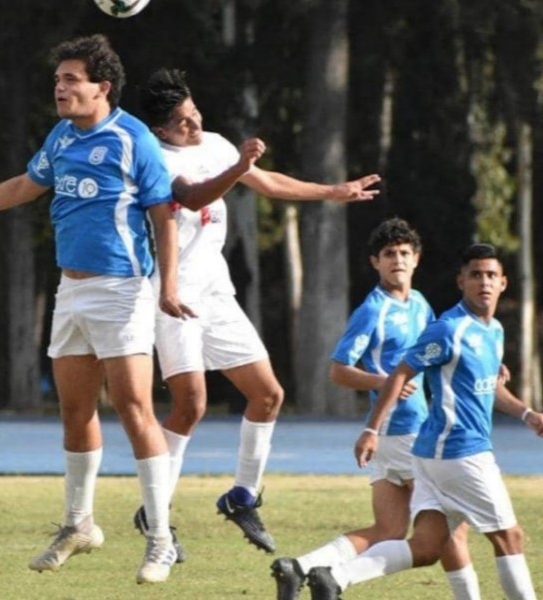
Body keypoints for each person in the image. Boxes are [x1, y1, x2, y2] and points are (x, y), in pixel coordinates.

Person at [0, 35, 193, 584]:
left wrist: (167, 285)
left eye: (71, 80)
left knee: (135, 408)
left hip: (122, 289)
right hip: (72, 290)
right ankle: (78, 523)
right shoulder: (63, 135)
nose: (60, 87)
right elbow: (26, 183)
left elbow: (163, 215)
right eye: (58, 79)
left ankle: (160, 537)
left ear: (102, 88)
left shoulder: (133, 138)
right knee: (74, 411)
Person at [134, 67, 380, 556]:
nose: (194, 124)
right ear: (161, 129)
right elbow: (192, 194)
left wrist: (332, 192)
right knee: (191, 404)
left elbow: (268, 183)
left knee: (268, 394)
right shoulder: (153, 156)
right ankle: (153, 511)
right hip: (171, 293)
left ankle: (243, 496)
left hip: (216, 294)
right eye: (183, 121)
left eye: (195, 112)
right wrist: (239, 165)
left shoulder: (218, 144)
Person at [302, 243, 543, 600]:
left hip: (430, 457)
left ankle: (336, 578)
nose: (483, 282)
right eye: (475, 275)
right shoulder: (448, 330)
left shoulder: (493, 331)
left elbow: (491, 389)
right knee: (510, 537)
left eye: (491, 275)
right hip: (460, 452)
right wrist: (371, 429)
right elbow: (399, 374)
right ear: (461, 281)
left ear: (503, 283)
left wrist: (527, 414)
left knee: (426, 546)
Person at [271, 218, 479, 600]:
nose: (396, 259)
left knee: (387, 530)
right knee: (450, 528)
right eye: (388, 254)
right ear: (375, 262)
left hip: (389, 432)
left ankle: (298, 568)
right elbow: (338, 370)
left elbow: (439, 351)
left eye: (403, 253)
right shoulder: (373, 311)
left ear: (416, 259)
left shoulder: (418, 302)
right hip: (407, 431)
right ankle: (338, 578)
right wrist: (384, 381)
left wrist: (484, 361)